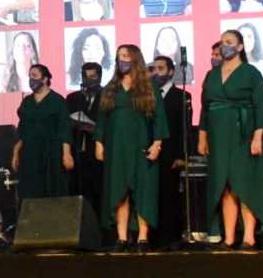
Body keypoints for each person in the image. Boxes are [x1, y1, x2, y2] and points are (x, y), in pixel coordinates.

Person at [198, 30, 263, 250]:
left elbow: (261, 105)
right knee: (224, 186)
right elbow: (205, 108)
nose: (225, 46)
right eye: (222, 42)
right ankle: (229, 238)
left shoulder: (251, 73)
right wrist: (202, 137)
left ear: (240, 47)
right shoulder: (212, 75)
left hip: (243, 135)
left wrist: (257, 137)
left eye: (229, 42)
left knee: (245, 184)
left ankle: (249, 237)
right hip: (218, 137)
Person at [94, 45, 168, 252]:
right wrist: (99, 143)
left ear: (135, 59)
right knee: (119, 190)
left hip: (141, 145)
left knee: (143, 190)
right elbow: (102, 118)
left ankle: (143, 237)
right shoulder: (111, 88)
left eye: (126, 56)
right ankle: (122, 237)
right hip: (116, 148)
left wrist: (157, 143)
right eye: (119, 57)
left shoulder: (148, 87)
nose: (122, 60)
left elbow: (159, 117)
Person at [12, 64, 74, 200]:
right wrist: (16, 152)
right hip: (30, 153)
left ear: (45, 79)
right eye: (30, 76)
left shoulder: (57, 100)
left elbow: (64, 128)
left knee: (52, 189)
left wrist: (66, 154)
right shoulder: (27, 101)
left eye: (35, 76)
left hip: (51, 152)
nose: (31, 79)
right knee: (30, 190)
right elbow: (22, 129)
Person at [150, 56, 191, 249]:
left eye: (161, 68)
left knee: (170, 197)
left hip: (171, 155)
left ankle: (170, 239)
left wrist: (182, 155)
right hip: (150, 154)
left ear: (171, 72)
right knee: (152, 196)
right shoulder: (147, 95)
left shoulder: (181, 96)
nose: (156, 72)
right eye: (154, 68)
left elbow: (185, 129)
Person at [67, 63, 104, 217]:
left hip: (98, 153)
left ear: (100, 77)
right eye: (85, 76)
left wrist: (92, 127)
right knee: (77, 189)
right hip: (77, 152)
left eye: (92, 76)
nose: (88, 80)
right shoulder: (73, 98)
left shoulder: (107, 97)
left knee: (98, 192)